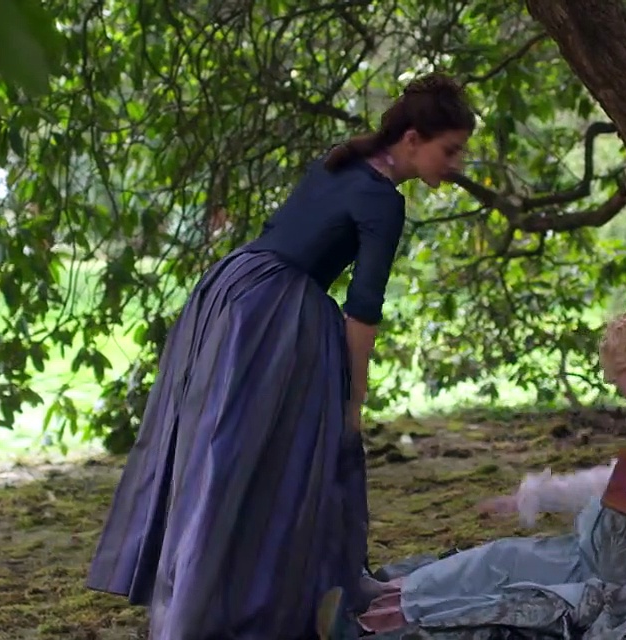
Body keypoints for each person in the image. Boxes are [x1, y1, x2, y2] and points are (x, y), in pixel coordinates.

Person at [84, 73, 477, 640]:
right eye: (451, 149)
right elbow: (363, 309)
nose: (456, 164)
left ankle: (211, 597)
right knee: (253, 452)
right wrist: (352, 400)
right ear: (413, 139)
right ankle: (215, 608)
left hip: (230, 287)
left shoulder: (340, 162)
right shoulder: (382, 200)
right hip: (273, 310)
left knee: (221, 447)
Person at [359, 311, 626, 639]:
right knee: (504, 557)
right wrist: (541, 495)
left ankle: (391, 625)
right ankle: (385, 597)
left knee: (533, 606)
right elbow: (619, 480)